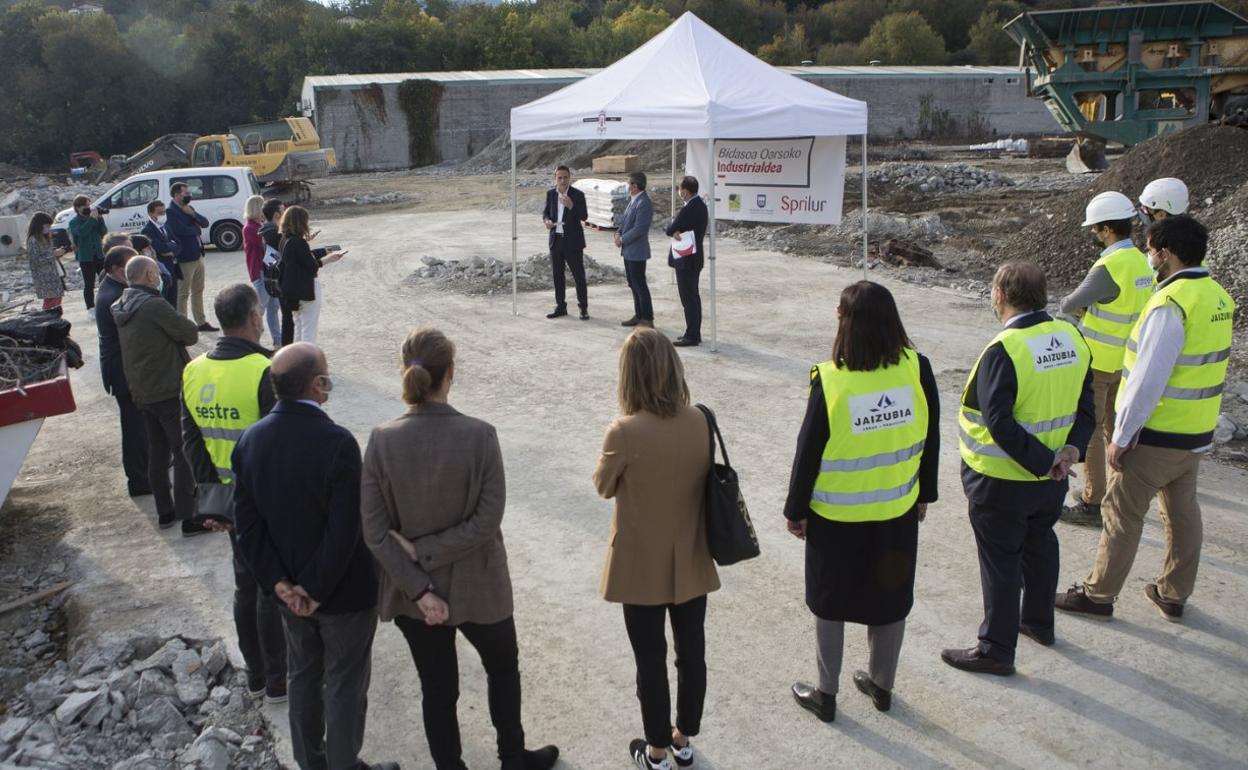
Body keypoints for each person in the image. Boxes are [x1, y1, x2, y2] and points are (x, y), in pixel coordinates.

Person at [361, 327, 560, 770]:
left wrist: (419, 581)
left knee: (437, 688)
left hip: (415, 597)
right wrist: (429, 551)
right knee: (503, 670)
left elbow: (375, 533)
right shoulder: (480, 435)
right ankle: (512, 757)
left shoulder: (381, 440)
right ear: (450, 373)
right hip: (480, 585)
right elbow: (487, 521)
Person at [1057, 215, 1235, 622]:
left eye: (1152, 249)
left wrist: (1122, 434)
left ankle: (1097, 595)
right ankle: (1173, 593)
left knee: (1121, 512)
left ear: (1167, 254)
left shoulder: (1171, 304)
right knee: (1182, 512)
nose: (1149, 255)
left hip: (1157, 434)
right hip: (1195, 431)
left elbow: (1147, 379)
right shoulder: (1219, 298)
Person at [232, 343, 397, 770]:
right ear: (316, 384)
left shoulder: (250, 441)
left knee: (303, 676)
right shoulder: (337, 442)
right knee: (344, 683)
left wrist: (281, 585)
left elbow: (247, 528)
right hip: (341, 595)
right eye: (325, 373)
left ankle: (312, 763)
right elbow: (345, 529)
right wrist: (315, 589)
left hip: (290, 598)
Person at [784, 281, 940, 721]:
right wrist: (924, 494)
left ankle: (826, 694)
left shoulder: (831, 380)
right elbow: (932, 438)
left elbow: (807, 453)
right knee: (890, 599)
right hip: (896, 511)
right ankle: (881, 686)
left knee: (829, 601)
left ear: (846, 322)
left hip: (835, 517)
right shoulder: (918, 368)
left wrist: (795, 511)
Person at [941, 261, 1095, 677]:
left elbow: (999, 422)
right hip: (1051, 481)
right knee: (1040, 544)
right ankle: (1039, 622)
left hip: (1002, 481)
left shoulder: (1004, 350)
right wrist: (1069, 454)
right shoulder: (1072, 336)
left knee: (1002, 562)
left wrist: (1047, 462)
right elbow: (1086, 406)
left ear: (999, 295)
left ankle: (995, 649)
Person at [593, 328, 718, 770]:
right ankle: (684, 738)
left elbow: (603, 487)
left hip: (639, 563)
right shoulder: (701, 419)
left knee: (650, 660)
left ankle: (657, 751)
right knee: (692, 653)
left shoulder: (623, 430)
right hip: (691, 555)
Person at [180, 283, 288, 704]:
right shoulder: (267, 369)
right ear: (255, 317)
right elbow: (278, 445)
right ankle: (279, 678)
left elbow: (192, 443)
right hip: (266, 503)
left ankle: (258, 675)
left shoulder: (194, 370)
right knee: (270, 588)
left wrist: (212, 500)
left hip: (227, 503)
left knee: (246, 585)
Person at [1057, 191, 1153, 525]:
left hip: (1097, 363)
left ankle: (1093, 502)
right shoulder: (1143, 261)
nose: (1094, 235)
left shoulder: (1109, 266)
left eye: (1096, 229)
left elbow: (1069, 305)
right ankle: (1122, 493)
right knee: (1117, 429)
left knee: (1094, 432)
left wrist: (1087, 308)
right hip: (1125, 361)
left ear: (1107, 229)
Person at [112, 255, 205, 535]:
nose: (159, 276)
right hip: (167, 387)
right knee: (184, 448)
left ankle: (165, 511)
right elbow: (190, 333)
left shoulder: (120, 304)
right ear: (150, 276)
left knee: (157, 449)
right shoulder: (153, 304)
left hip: (142, 387)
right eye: (156, 272)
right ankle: (190, 517)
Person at [95, 246, 150, 498]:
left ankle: (144, 473)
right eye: (130, 266)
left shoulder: (115, 289)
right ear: (117, 269)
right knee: (134, 427)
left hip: (125, 367)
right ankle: (139, 480)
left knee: (140, 425)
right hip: (123, 370)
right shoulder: (113, 297)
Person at [277, 206, 344, 344]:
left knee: (299, 326)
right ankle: (308, 360)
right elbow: (312, 266)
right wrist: (330, 259)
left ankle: (296, 358)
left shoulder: (284, 240)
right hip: (305, 288)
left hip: (291, 290)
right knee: (308, 328)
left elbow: (298, 260)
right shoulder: (299, 242)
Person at [166, 182, 217, 332]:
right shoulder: (171, 212)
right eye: (185, 193)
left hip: (197, 255)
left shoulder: (189, 209)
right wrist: (195, 228)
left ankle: (201, 322)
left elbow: (205, 223)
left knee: (198, 290)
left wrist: (193, 214)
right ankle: (183, 324)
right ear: (176, 195)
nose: (188, 195)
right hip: (184, 257)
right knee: (183, 293)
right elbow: (182, 231)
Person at [664, 177, 708, 347]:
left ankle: (692, 335)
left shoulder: (691, 207)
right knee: (693, 297)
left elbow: (671, 228)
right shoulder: (698, 205)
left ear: (686, 190)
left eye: (679, 188)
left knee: (688, 298)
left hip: (687, 259)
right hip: (692, 258)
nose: (678, 191)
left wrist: (673, 229)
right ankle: (694, 332)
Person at [542, 165, 590, 320]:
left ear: (570, 178)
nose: (562, 180)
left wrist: (571, 206)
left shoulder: (578, 195)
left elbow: (584, 216)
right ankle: (560, 306)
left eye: (565, 177)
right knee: (557, 276)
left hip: (573, 243)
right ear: (555, 178)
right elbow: (546, 212)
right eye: (559, 177)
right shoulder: (550, 194)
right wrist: (547, 220)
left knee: (578, 277)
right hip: (556, 241)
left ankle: (583, 308)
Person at [614, 172, 654, 328]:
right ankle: (639, 315)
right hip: (629, 251)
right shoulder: (634, 201)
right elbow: (625, 222)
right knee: (633, 283)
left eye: (629, 183)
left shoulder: (644, 203)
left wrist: (622, 239)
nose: (627, 186)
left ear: (636, 186)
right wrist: (618, 233)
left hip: (637, 251)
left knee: (640, 284)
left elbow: (639, 229)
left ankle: (648, 318)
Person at [242, 195, 281, 347]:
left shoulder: (259, 226)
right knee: (260, 309)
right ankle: (249, 340)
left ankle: (278, 341)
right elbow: (266, 247)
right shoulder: (250, 228)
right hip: (260, 271)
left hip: (268, 270)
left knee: (273, 307)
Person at [259, 199, 294, 346]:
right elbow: (279, 257)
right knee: (288, 317)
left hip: (277, 277)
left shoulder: (267, 230)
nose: (285, 212)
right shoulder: (273, 233)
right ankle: (287, 349)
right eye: (283, 209)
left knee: (286, 315)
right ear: (276, 214)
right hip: (282, 278)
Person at [66, 194, 107, 313]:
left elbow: (103, 232)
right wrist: (92, 220)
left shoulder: (94, 218)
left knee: (105, 279)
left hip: (99, 254)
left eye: (89, 205)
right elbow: (81, 233)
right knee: (89, 284)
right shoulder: (74, 222)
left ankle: (105, 303)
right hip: (86, 257)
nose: (89, 208)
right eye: (86, 206)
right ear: (78, 208)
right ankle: (90, 308)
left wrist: (99, 219)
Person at [141, 200, 181, 305]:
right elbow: (160, 248)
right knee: (164, 302)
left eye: (164, 212)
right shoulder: (147, 230)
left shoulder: (166, 227)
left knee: (174, 301)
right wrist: (170, 246)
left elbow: (178, 244)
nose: (163, 215)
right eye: (160, 213)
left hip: (172, 268)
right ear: (150, 213)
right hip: (161, 272)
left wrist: (172, 252)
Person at [25, 213, 67, 311]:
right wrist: (53, 254)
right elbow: (35, 260)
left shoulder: (43, 238)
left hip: (53, 276)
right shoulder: (33, 240)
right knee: (50, 304)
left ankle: (55, 323)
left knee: (56, 303)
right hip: (45, 279)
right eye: (47, 226)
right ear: (39, 225)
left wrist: (56, 252)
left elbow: (45, 253)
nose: (49, 228)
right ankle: (49, 322)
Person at [130, 234, 178, 307]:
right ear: (138, 251)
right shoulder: (140, 272)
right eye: (148, 248)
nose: (152, 250)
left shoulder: (159, 265)